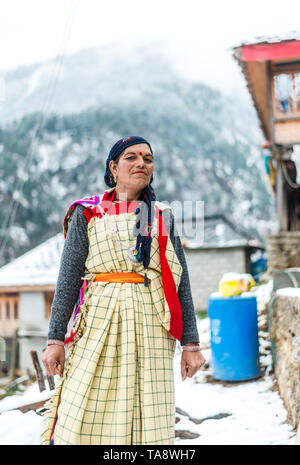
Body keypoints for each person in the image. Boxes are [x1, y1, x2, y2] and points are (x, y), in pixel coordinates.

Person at [41, 136, 205, 445]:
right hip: (97, 324)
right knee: (83, 403)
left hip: (150, 327)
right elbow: (68, 279)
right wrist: (55, 339)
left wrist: (191, 345)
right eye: (132, 157)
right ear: (113, 168)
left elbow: (179, 280)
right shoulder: (86, 214)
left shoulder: (160, 215)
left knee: (146, 411)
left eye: (148, 158)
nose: (142, 163)